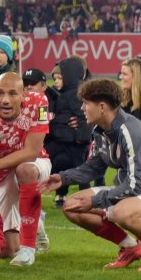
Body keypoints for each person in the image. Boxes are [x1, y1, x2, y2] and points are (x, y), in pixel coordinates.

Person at [41, 78, 141, 272]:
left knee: (121, 211)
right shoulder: (101, 130)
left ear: (101, 107)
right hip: (133, 191)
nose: (82, 108)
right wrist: (63, 178)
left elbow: (135, 186)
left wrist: (97, 201)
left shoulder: (131, 131)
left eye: (85, 103)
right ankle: (131, 247)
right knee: (71, 205)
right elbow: (94, 167)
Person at [0, 71, 51, 264]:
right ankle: (33, 223)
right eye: (0, 93)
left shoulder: (39, 102)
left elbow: (31, 151)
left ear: (24, 94)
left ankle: (28, 249)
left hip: (35, 162)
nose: (5, 100)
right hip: (0, 175)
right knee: (6, 249)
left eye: (12, 94)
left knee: (25, 169)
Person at [43, 57, 92, 206]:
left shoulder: (74, 95)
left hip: (74, 142)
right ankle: (62, 194)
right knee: (60, 165)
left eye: (60, 78)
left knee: (80, 169)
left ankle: (87, 197)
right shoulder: (62, 94)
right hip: (64, 139)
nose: (56, 81)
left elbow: (84, 118)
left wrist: (80, 137)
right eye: (54, 78)